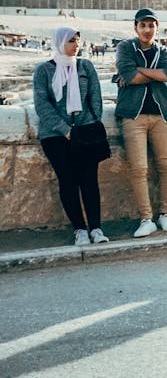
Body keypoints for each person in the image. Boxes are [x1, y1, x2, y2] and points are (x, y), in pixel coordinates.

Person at [32, 27, 110, 245]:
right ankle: (79, 229)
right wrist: (64, 129)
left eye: (77, 40)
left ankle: (96, 228)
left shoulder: (86, 66)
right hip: (55, 135)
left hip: (84, 132)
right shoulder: (44, 70)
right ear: (59, 43)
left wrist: (88, 124)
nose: (76, 45)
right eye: (70, 41)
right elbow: (42, 105)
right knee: (68, 181)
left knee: (89, 181)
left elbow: (96, 100)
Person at [115, 7, 167, 237]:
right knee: (139, 168)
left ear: (157, 28)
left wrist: (138, 71)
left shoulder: (163, 50)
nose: (147, 29)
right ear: (135, 27)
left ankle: (165, 214)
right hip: (134, 115)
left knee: (166, 165)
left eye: (151, 25)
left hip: (161, 114)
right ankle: (146, 218)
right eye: (143, 25)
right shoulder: (125, 47)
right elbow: (127, 74)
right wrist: (151, 73)